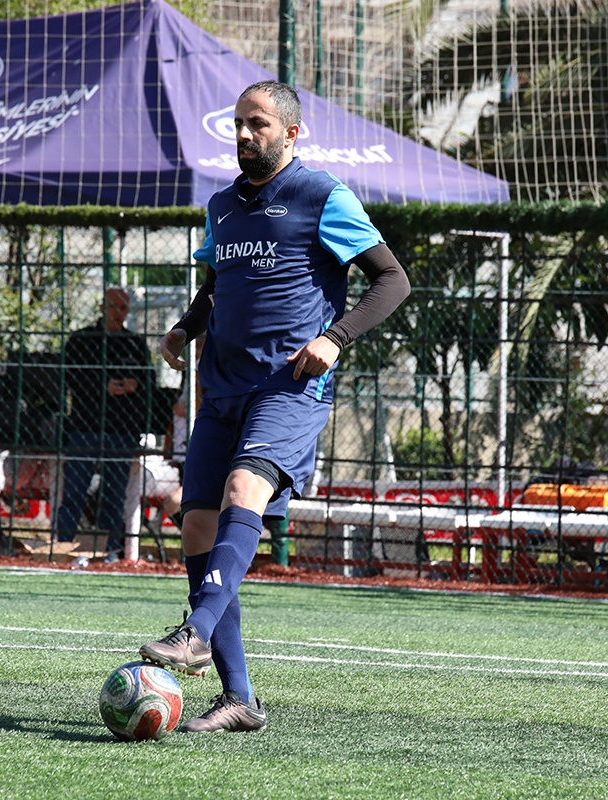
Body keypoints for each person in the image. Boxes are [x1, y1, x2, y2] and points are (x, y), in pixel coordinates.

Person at [138, 81, 410, 732]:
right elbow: (217, 285)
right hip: (222, 388)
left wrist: (335, 337)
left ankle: (196, 632)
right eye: (238, 123)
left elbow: (393, 279)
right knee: (196, 527)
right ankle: (240, 700)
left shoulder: (322, 195)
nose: (243, 134)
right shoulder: (222, 206)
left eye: (257, 123)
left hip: (288, 387)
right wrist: (184, 328)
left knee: (243, 489)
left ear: (290, 133)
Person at [53, 287, 153, 559]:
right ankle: (63, 547)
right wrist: (102, 387)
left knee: (114, 496)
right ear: (102, 308)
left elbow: (150, 384)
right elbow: (70, 378)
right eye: (113, 307)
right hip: (85, 426)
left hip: (122, 430)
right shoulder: (82, 340)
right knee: (73, 492)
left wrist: (134, 385)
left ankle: (109, 553)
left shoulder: (135, 344)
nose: (119, 313)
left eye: (123, 307)